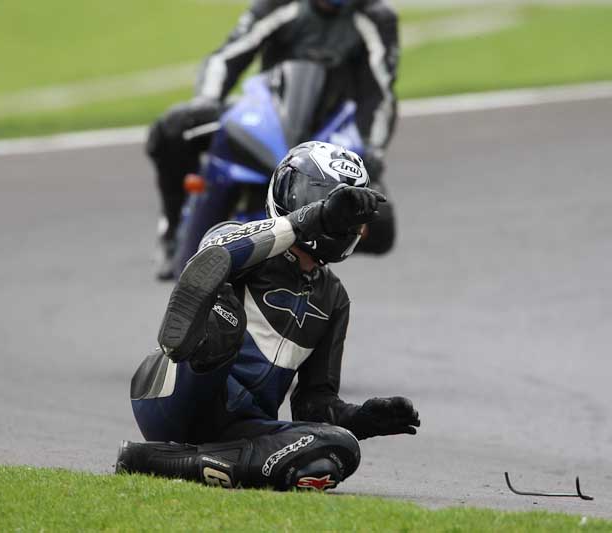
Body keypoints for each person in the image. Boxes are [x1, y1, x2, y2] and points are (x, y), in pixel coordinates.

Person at [117, 142, 419, 490]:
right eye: (323, 199)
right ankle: (213, 459)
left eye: (346, 208)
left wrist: (362, 419)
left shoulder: (334, 299)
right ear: (288, 194)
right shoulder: (238, 237)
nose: (338, 216)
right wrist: (314, 217)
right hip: (171, 392)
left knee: (338, 451)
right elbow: (212, 257)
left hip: (239, 427)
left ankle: (170, 463)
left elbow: (312, 405)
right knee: (225, 316)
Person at [147, 0, 400, 279]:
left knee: (381, 224)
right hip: (266, 113)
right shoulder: (278, 5)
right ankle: (172, 231)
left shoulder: (377, 18)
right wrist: (207, 99)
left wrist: (371, 148)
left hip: (331, 131)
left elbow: (380, 93)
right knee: (173, 130)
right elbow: (229, 54)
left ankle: (318, 251)